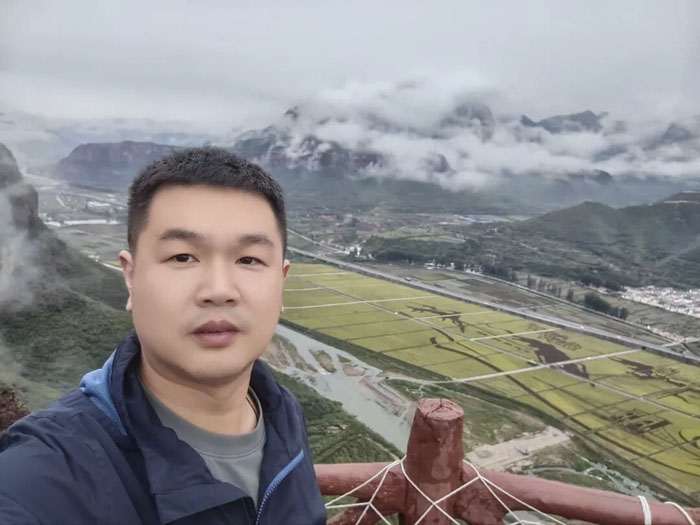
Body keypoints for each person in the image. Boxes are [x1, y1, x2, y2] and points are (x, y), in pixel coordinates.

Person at [0, 147, 327, 524]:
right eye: (182, 257)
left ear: (281, 282)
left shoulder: (284, 415)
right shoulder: (47, 472)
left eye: (249, 259)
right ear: (131, 276)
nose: (219, 290)